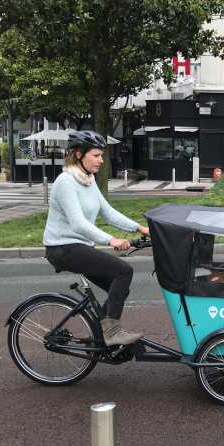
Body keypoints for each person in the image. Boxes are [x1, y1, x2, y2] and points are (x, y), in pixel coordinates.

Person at [43, 130, 149, 346]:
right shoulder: (66, 181)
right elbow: (78, 223)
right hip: (62, 247)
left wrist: (139, 228)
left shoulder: (88, 181)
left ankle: (103, 333)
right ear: (79, 154)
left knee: (118, 286)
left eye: (102, 155)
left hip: (78, 246)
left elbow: (108, 212)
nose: (101, 160)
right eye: (96, 155)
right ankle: (111, 333)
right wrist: (111, 240)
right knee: (123, 271)